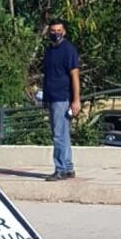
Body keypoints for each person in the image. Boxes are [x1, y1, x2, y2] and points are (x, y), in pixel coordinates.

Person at [42, 18, 80, 180]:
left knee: (58, 134)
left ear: (64, 32)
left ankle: (60, 168)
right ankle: (68, 167)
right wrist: (45, 97)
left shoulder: (68, 50)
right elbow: (48, 75)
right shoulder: (49, 51)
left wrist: (76, 99)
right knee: (62, 134)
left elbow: (74, 75)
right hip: (51, 97)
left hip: (62, 97)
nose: (55, 34)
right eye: (53, 31)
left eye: (59, 31)